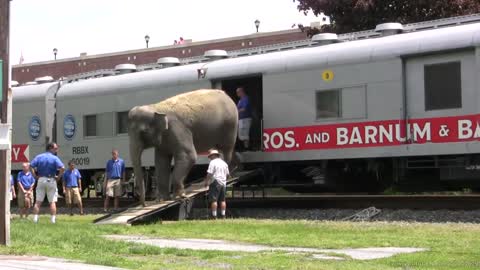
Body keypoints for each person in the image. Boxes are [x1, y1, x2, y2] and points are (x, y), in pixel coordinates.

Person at [30, 142, 65, 224]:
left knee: (38, 201)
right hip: (51, 180)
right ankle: (52, 220)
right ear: (50, 148)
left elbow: (31, 166)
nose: (57, 150)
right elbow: (62, 168)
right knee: (52, 202)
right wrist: (58, 177)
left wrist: (35, 176)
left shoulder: (39, 156)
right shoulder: (55, 158)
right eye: (55, 148)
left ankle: (35, 219)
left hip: (41, 179)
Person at [204, 149, 230, 219]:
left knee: (214, 200)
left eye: (210, 156)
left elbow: (210, 173)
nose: (210, 158)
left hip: (215, 182)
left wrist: (206, 182)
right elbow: (227, 175)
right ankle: (223, 215)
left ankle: (214, 216)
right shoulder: (224, 163)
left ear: (213, 155)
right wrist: (225, 180)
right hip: (223, 183)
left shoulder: (213, 162)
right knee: (223, 200)